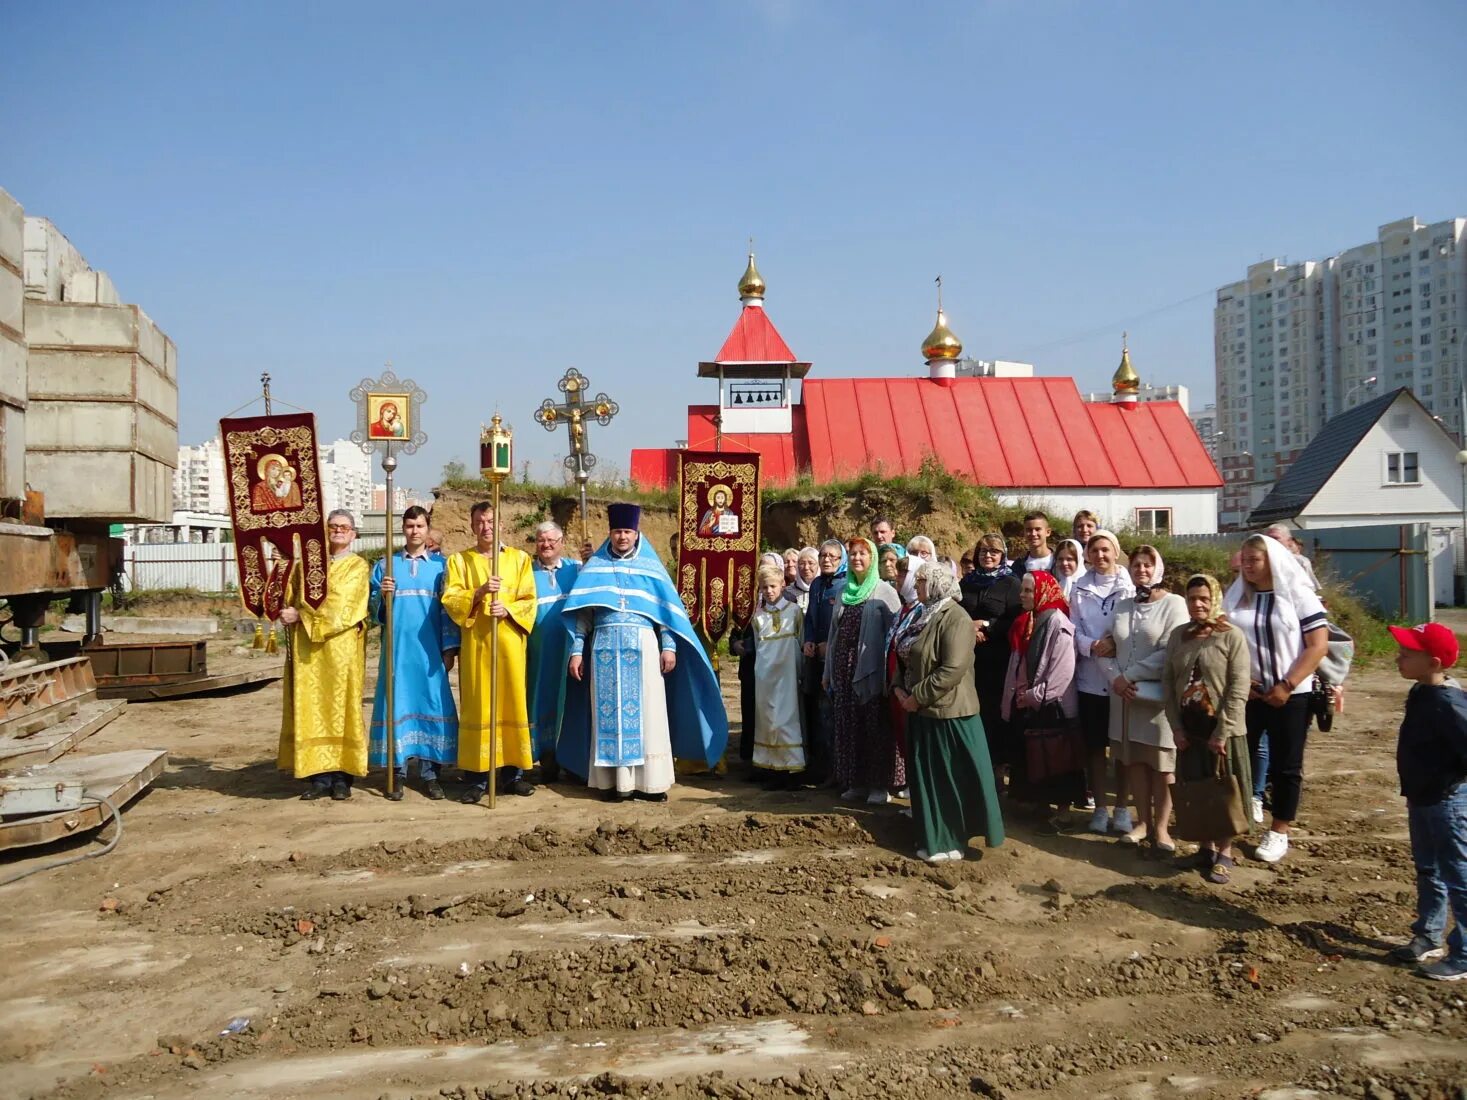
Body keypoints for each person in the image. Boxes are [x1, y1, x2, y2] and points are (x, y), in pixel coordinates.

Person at [562, 503, 728, 801]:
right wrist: (576, 651)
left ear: (636, 533)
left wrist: (669, 647)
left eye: (627, 531)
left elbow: (664, 613)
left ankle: (650, 783)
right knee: (607, 716)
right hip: (604, 650)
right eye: (617, 532)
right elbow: (583, 615)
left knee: (649, 715)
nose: (622, 537)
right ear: (610, 533)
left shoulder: (651, 568)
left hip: (644, 647)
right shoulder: (596, 567)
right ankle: (614, 784)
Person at [1225, 533, 1329, 864]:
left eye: (1254, 560)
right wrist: (1244, 683)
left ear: (1272, 561)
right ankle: (1234, 820)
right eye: (1244, 560)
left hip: (1291, 695)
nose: (1248, 566)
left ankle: (1279, 829)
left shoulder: (1298, 596)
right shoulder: (1238, 597)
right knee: (1237, 757)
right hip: (1249, 693)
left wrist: (1287, 684)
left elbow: (1317, 646)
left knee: (1287, 765)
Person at [892, 559, 1005, 861]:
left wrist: (917, 696)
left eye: (920, 581)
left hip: (948, 714)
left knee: (949, 780)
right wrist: (898, 687)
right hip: (921, 711)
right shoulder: (922, 614)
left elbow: (952, 669)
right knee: (928, 780)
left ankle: (950, 840)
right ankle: (933, 836)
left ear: (936, 583)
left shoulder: (955, 617)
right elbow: (903, 652)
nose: (915, 586)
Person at [1387, 621, 1467, 980]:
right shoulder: (1421, 692)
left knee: (1458, 874)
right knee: (1428, 868)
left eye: (1408, 653)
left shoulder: (1448, 703)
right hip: (1422, 799)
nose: (1399, 657)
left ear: (1434, 662)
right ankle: (1429, 934)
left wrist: (1444, 786)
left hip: (1446, 801)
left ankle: (1464, 953)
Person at [443, 501, 538, 803]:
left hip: (509, 644)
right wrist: (479, 593)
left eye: (490, 521)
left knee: (510, 701)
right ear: (472, 526)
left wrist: (508, 608)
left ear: (500, 525)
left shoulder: (519, 559)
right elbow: (451, 598)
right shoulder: (459, 561)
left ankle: (512, 774)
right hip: (478, 645)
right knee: (479, 704)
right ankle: (477, 777)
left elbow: (529, 599)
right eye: (479, 522)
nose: (486, 527)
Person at [1164, 575, 1253, 885]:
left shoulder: (1232, 636)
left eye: (1204, 598)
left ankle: (1225, 853)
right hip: (1188, 731)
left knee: (1222, 791)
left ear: (1215, 599)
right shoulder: (1179, 636)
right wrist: (1175, 727)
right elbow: (1167, 683)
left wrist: (1223, 731)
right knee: (1196, 789)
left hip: (1221, 731)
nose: (1197, 604)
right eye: (1192, 599)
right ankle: (1203, 848)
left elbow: (1239, 687)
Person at [368, 505, 460, 801]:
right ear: (402, 529)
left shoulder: (441, 567)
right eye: (409, 526)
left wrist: (449, 648)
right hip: (397, 652)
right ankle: (398, 772)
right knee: (397, 706)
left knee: (432, 705)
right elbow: (375, 614)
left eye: (419, 526)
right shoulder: (386, 566)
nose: (414, 531)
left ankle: (432, 774)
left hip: (430, 652)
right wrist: (382, 596)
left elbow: (448, 611)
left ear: (427, 528)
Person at [278, 509, 369, 800]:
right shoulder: (305, 566)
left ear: (353, 534)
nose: (338, 531)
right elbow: (291, 597)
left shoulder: (357, 567)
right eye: (333, 526)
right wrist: (285, 609)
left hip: (341, 649)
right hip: (308, 649)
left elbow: (345, 607)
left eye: (344, 527)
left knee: (341, 708)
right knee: (311, 706)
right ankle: (318, 776)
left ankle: (343, 777)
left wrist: (302, 616)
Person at [1108, 545, 1189, 852]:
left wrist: (1129, 676)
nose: (1141, 569)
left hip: (1157, 699)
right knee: (1135, 762)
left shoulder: (1174, 604)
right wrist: (1115, 678)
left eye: (1147, 564)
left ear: (1158, 568)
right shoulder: (1123, 604)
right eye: (1136, 564)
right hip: (1125, 698)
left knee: (1162, 765)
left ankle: (1162, 829)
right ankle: (1141, 823)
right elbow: (1109, 644)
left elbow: (1169, 650)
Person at [824, 537, 903, 804]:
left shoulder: (884, 592)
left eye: (863, 554)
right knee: (849, 729)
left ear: (872, 559)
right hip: (844, 672)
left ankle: (879, 786)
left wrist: (891, 675)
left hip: (872, 673)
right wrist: (828, 673)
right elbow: (833, 634)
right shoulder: (843, 592)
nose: (857, 558)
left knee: (875, 729)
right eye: (853, 554)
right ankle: (855, 782)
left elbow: (895, 636)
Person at [1001, 571, 1085, 810]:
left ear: (1043, 592)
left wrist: (1033, 696)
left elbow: (1061, 673)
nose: (1022, 595)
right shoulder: (1029, 620)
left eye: (1028, 590)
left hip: (1053, 705)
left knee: (1058, 760)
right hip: (1033, 704)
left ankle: (1064, 815)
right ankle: (1039, 807)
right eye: (1023, 590)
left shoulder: (1057, 623)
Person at [1071, 529, 1136, 834]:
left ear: (1115, 552)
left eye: (1105, 550)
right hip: (1090, 679)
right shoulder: (1079, 588)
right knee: (1095, 748)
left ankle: (1122, 807)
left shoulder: (1130, 588)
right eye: (1094, 550)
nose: (1100, 556)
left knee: (1121, 749)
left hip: (1122, 680)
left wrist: (1113, 642)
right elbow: (1073, 629)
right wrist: (1093, 645)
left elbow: (1135, 629)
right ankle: (1099, 807)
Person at [959, 533, 1023, 777]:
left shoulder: (1011, 583)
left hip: (998, 661)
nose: (988, 556)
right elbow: (956, 611)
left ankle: (995, 771)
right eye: (984, 551)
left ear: (1002, 556)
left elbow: (1016, 620)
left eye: (994, 552)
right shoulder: (968, 582)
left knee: (995, 715)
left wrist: (986, 626)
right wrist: (969, 627)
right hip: (969, 659)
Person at [526, 521, 580, 784]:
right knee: (540, 700)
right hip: (538, 652)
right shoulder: (525, 571)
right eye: (541, 540)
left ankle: (571, 760)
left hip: (571, 651)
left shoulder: (576, 568)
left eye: (551, 540)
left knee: (570, 702)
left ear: (562, 542)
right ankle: (546, 759)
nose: (546, 545)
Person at [751, 562, 806, 788]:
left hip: (788, 676)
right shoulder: (758, 617)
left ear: (783, 585)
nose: (769, 591)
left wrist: (800, 672)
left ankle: (792, 770)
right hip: (765, 678)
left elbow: (801, 643)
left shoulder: (794, 613)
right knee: (767, 721)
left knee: (787, 719)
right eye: (764, 587)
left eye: (773, 586)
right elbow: (756, 647)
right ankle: (771, 768)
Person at [802, 540, 847, 786]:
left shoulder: (845, 584)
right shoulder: (817, 584)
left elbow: (842, 623)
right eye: (823, 556)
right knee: (818, 713)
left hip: (834, 657)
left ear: (842, 560)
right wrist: (809, 640)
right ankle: (820, 765)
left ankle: (838, 770)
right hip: (815, 658)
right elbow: (810, 617)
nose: (826, 560)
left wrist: (831, 645)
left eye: (832, 556)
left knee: (833, 713)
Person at [1265, 524, 1321, 593]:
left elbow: (1310, 590)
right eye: (1268, 538)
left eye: (1276, 538)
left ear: (1289, 541)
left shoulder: (1300, 562)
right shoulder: (1258, 560)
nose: (1270, 541)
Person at [791, 547, 819, 611]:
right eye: (802, 563)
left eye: (811, 563)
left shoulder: (824, 590)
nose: (806, 567)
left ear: (818, 565)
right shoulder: (788, 592)